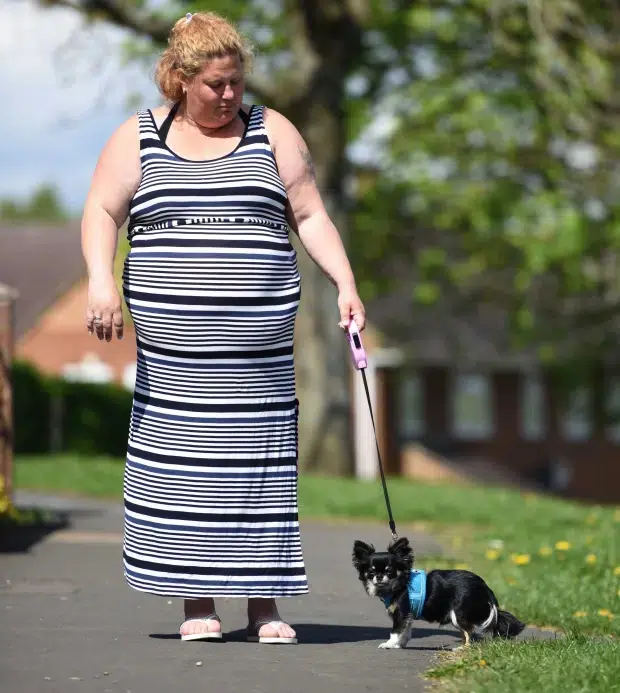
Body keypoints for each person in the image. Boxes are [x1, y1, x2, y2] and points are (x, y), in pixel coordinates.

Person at [81, 10, 366, 645]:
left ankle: (264, 607)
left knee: (259, 471)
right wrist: (102, 282)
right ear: (179, 79)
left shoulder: (274, 133)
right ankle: (196, 605)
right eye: (216, 85)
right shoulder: (139, 137)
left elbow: (312, 214)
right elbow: (102, 210)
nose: (230, 95)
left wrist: (345, 285)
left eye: (236, 82)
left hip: (259, 356)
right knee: (182, 472)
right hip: (173, 358)